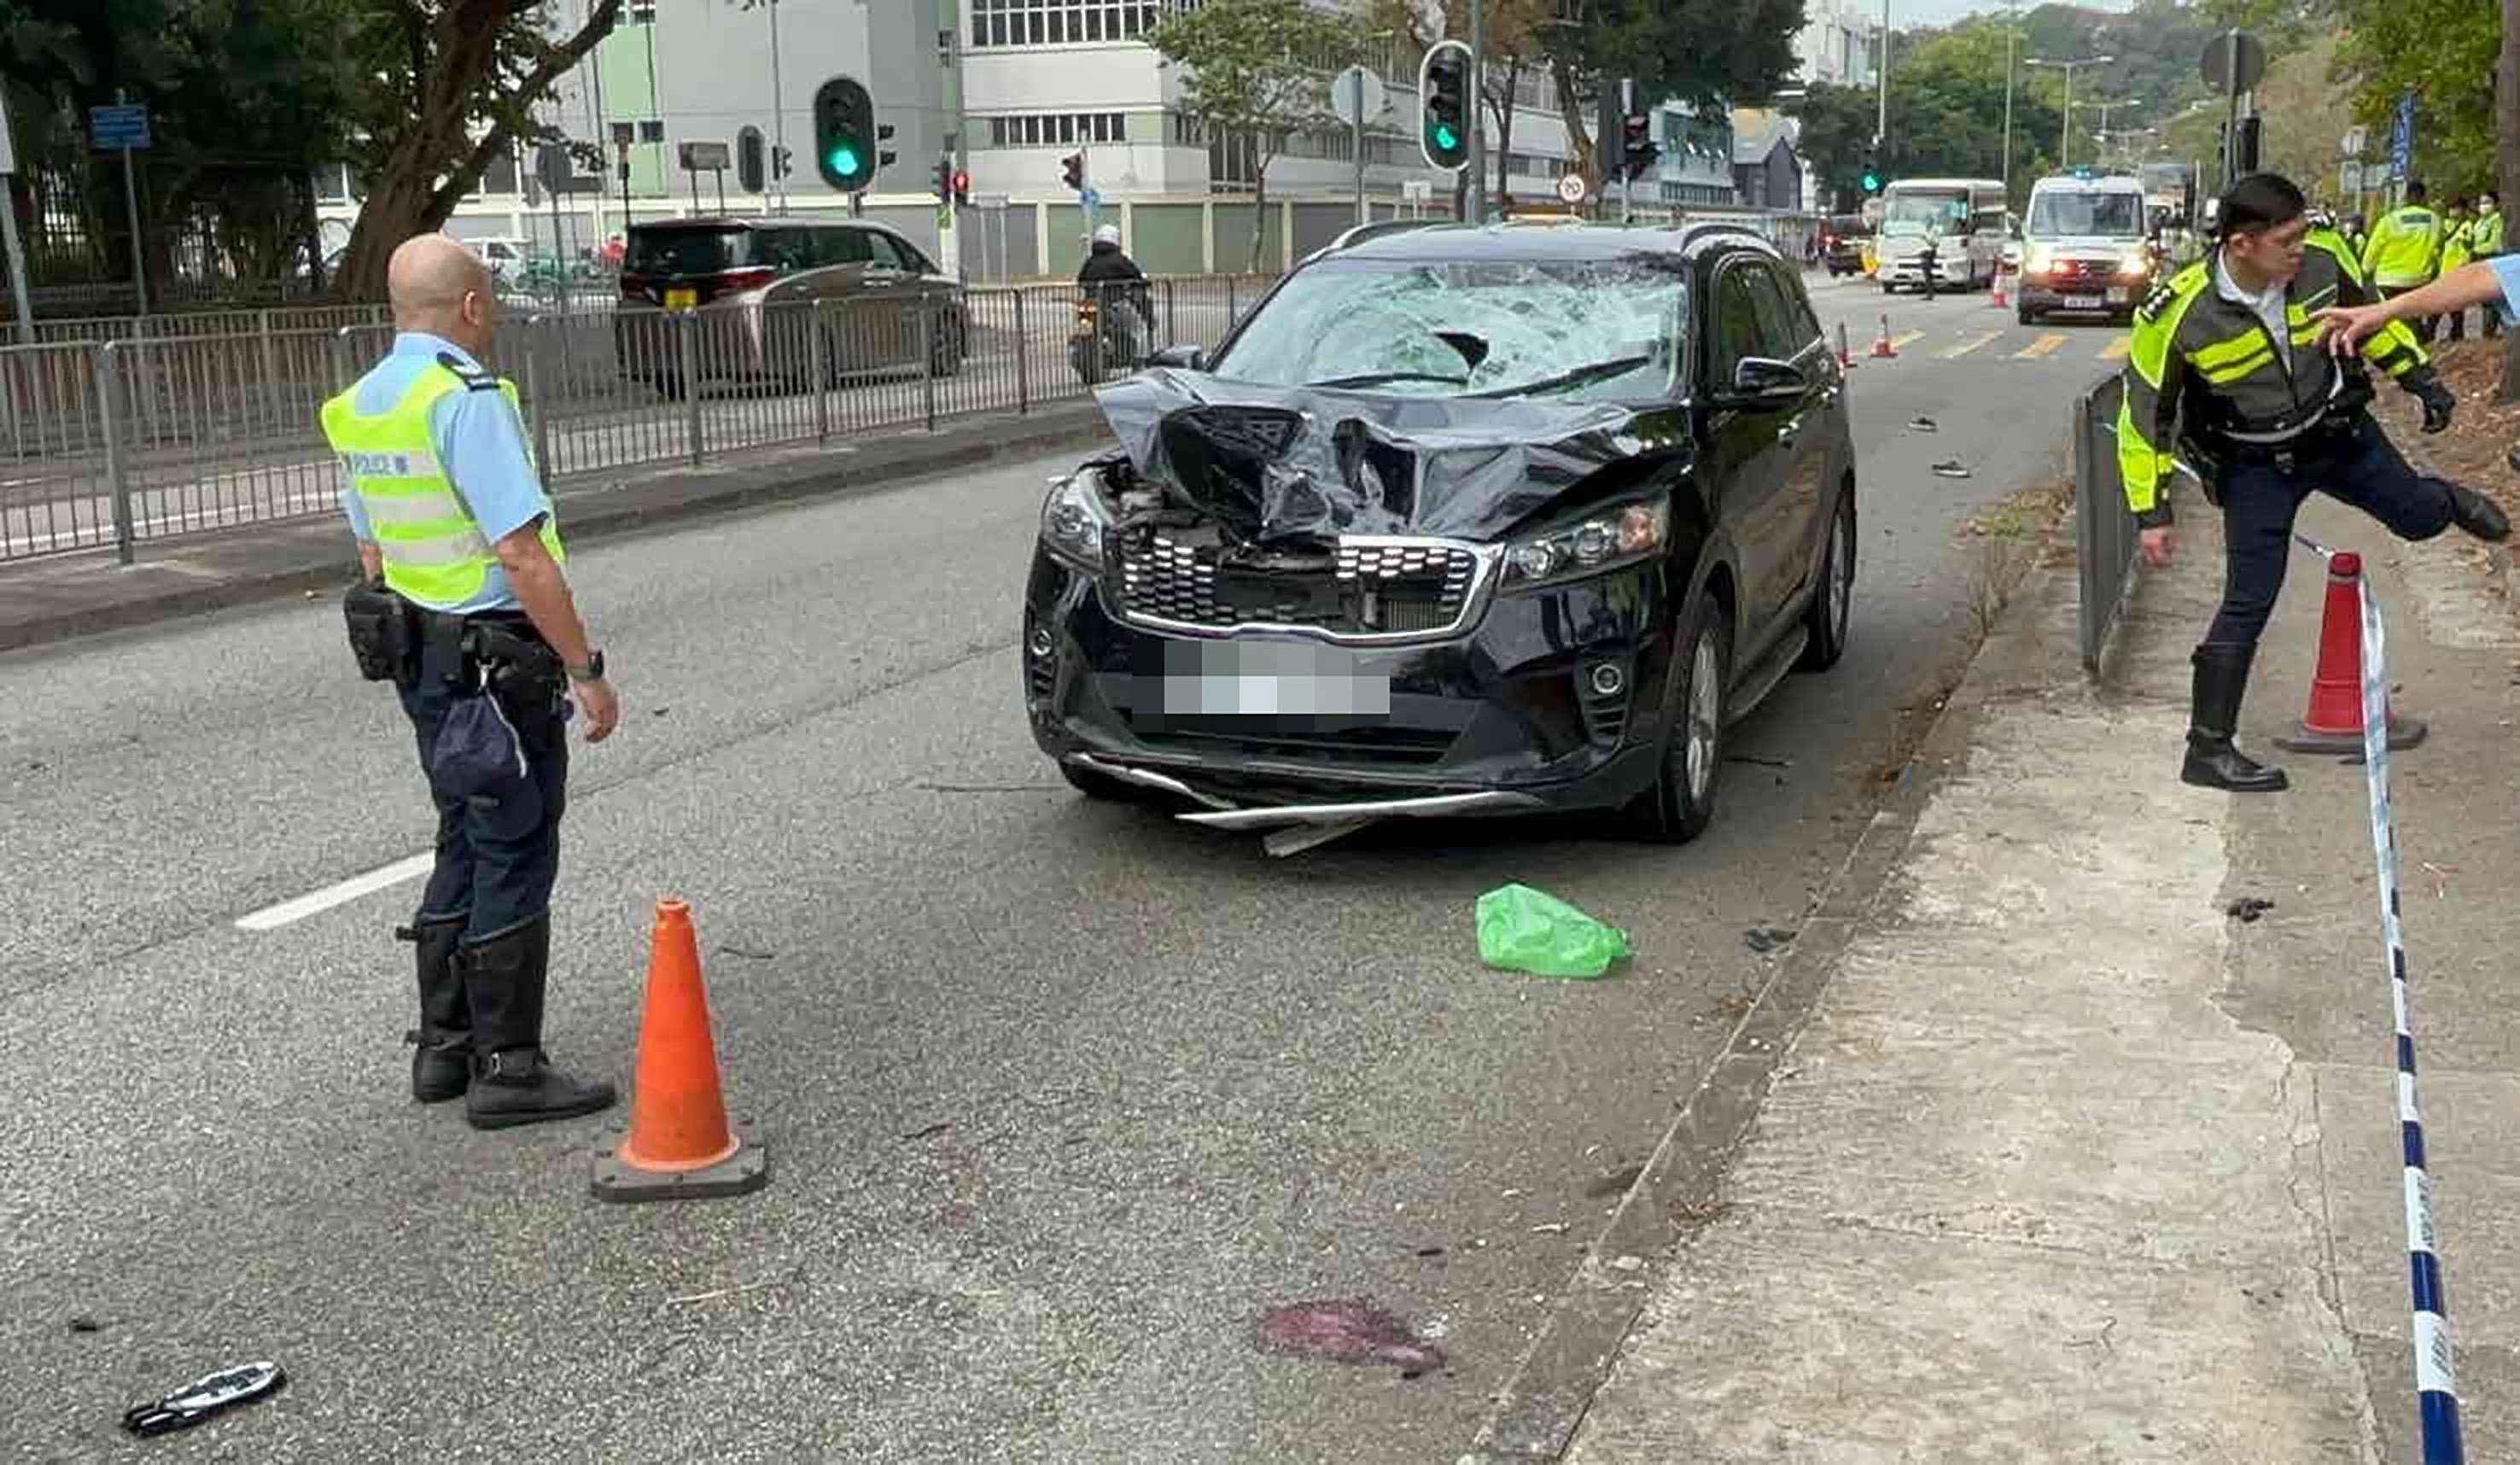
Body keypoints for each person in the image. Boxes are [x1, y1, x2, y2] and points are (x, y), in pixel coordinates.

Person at [322, 234, 622, 1129]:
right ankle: (509, 1067)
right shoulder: (466, 398)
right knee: (517, 843)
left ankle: (443, 1049)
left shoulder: (363, 406)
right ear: (472, 307)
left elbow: (372, 549)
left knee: (464, 833)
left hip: (422, 658)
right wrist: (586, 670)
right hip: (498, 660)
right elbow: (522, 552)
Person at [2116, 173, 2507, 795]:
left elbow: (2373, 318)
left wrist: (2421, 379)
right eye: (2287, 239)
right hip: (2254, 465)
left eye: (2303, 234)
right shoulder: (2178, 313)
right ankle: (2208, 749)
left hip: (2339, 436)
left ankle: (2448, 500)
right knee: (2250, 598)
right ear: (2242, 245)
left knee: (2419, 520)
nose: (2301, 248)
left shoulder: (2324, 261)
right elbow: (2144, 422)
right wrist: (2151, 512)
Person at [2362, 180, 2446, 342]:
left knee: (2390, 321)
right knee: (2412, 318)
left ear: (2406, 197)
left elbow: (2372, 252)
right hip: (2418, 279)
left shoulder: (2389, 220)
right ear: (2424, 197)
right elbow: (2438, 247)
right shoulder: (2435, 220)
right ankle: (2420, 348)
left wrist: (2366, 271)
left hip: (2388, 281)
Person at [2436, 199, 2474, 341]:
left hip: (2458, 271)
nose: (2453, 211)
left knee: (2456, 308)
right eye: (2451, 208)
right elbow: (2440, 242)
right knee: (2440, 306)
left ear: (2463, 210)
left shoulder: (2467, 225)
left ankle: (2456, 336)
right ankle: (2452, 336)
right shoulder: (2445, 224)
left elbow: (2469, 246)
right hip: (2443, 271)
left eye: (2456, 208)